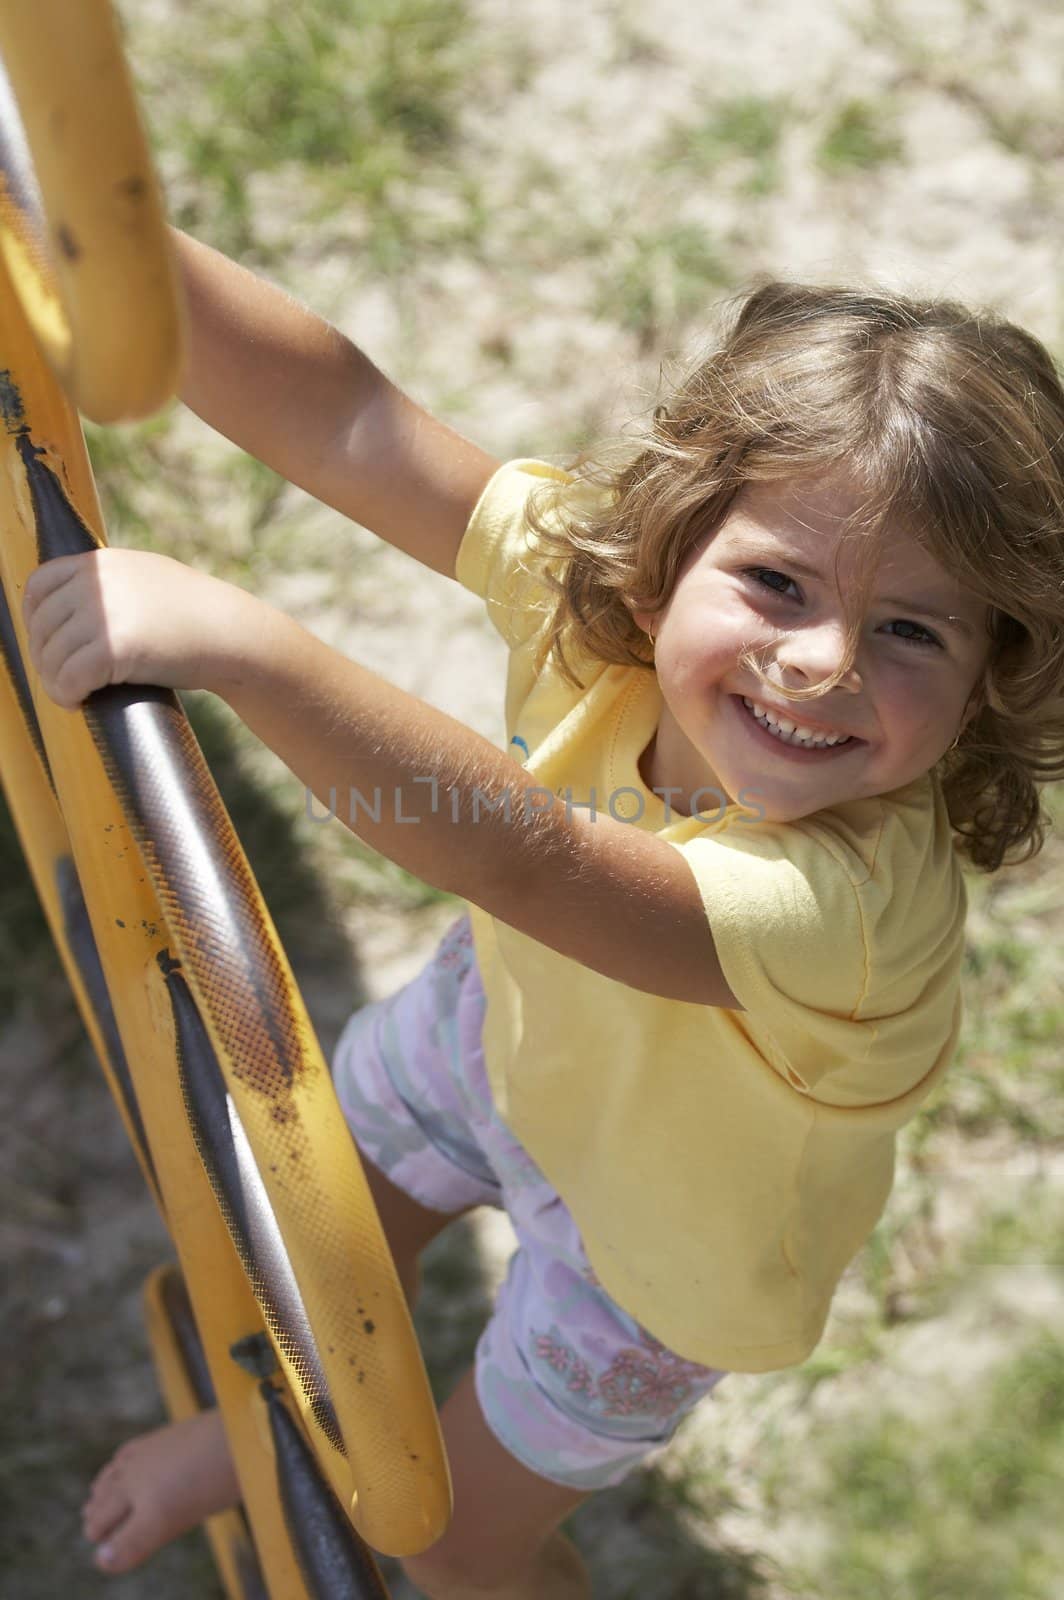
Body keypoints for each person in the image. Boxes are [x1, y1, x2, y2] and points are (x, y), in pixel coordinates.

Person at [24, 231, 1064, 1600]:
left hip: (658, 1246)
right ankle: (269, 1424)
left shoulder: (850, 901)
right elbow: (348, 419)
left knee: (450, 1542)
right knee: (311, 1232)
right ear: (667, 553)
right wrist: (90, 248)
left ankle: (347, 1464)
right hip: (501, 1040)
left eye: (914, 632)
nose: (821, 661)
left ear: (998, 675)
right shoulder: (610, 609)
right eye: (778, 584)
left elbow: (527, 865)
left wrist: (249, 649)